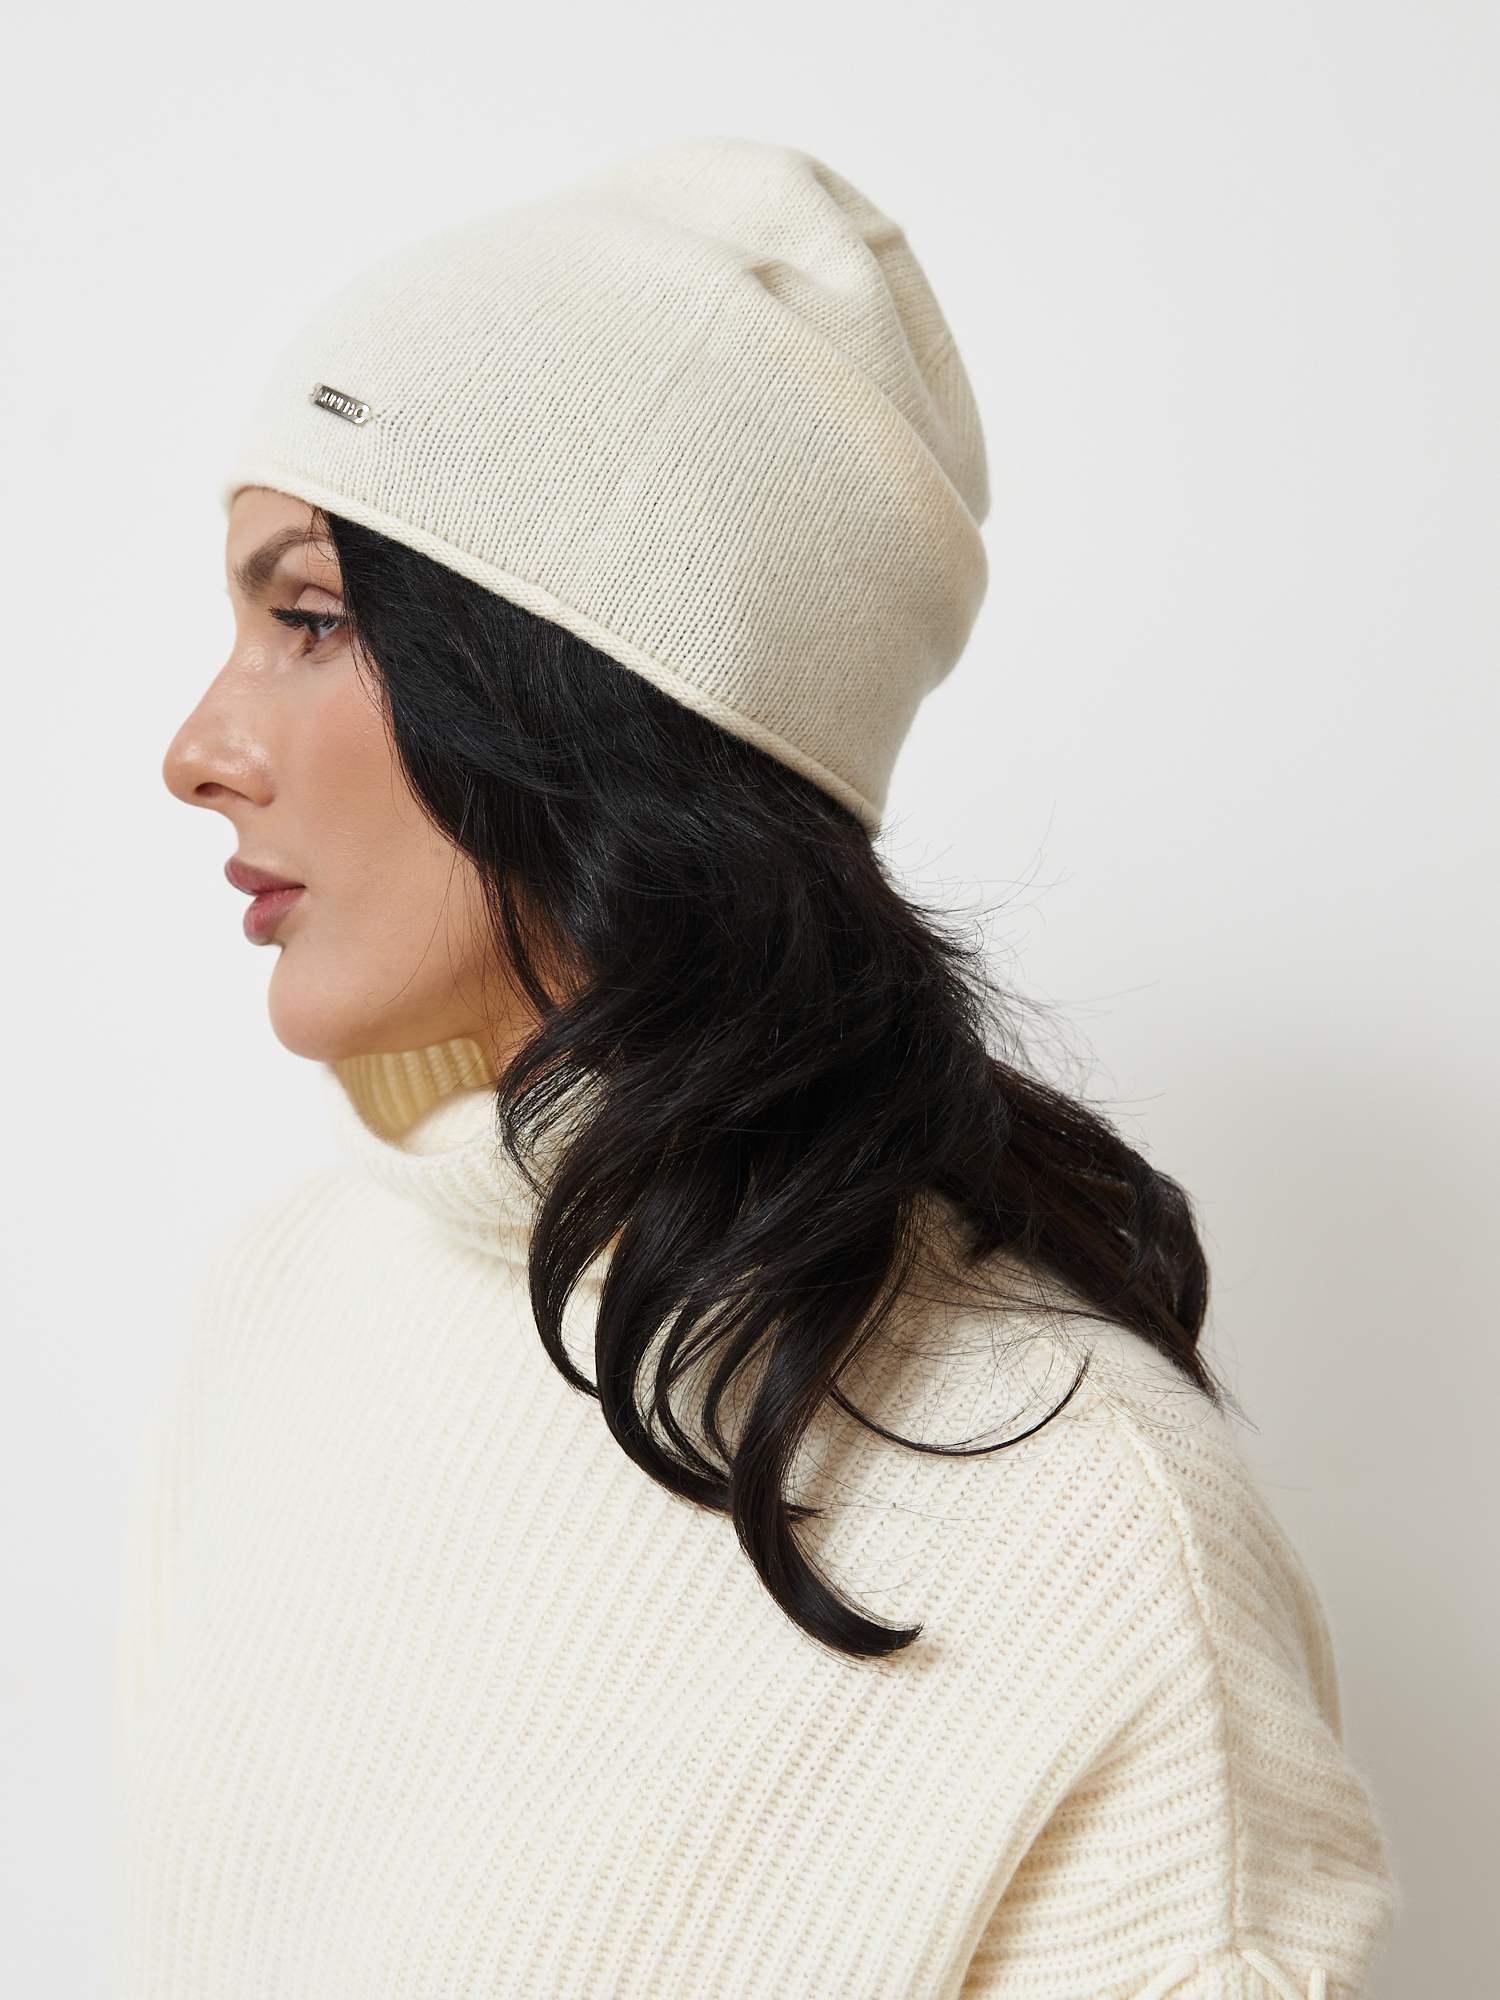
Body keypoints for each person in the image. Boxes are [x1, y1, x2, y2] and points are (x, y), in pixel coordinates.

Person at [120, 138, 1393, 1998]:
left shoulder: (1094, 1538)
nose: (194, 748)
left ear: (580, 690)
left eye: (308, 616)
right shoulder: (288, 1304)